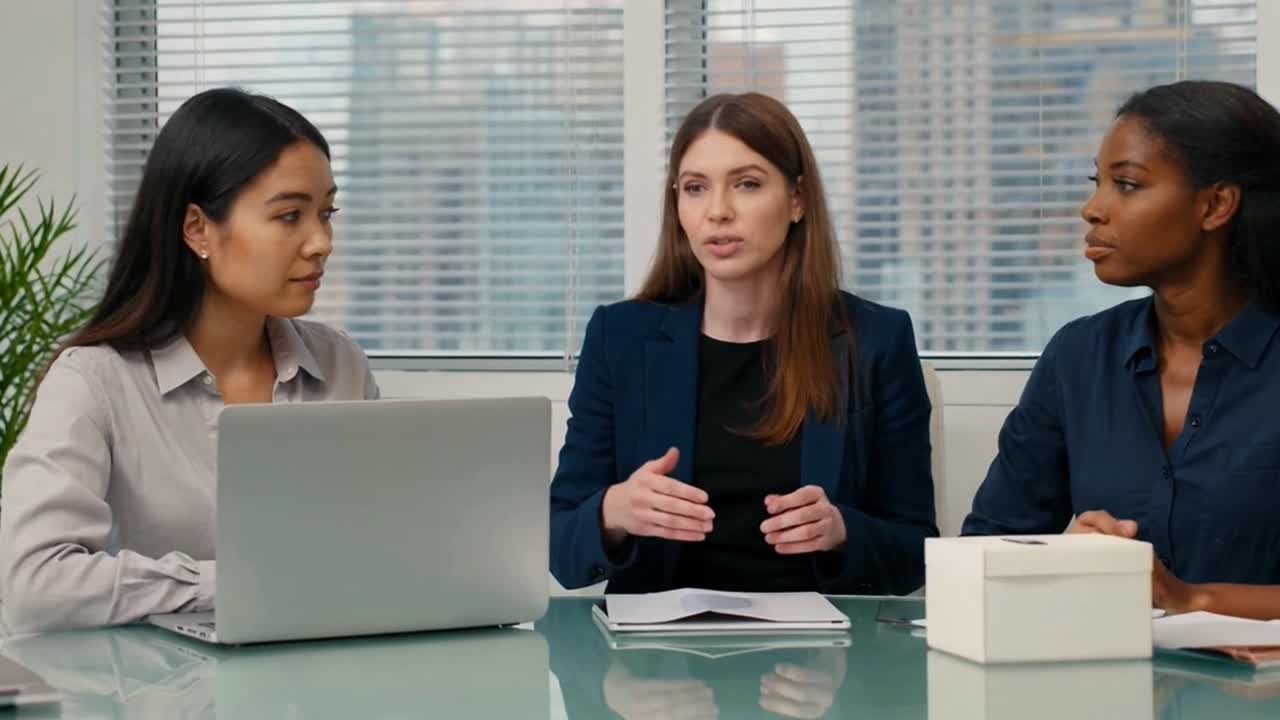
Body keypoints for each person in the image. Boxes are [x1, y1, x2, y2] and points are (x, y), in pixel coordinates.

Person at [0, 88, 379, 632]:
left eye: (326, 213)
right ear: (197, 228)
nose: (321, 242)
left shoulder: (341, 364)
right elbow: (35, 585)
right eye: (290, 216)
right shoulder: (93, 381)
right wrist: (233, 583)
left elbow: (379, 552)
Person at [549, 92, 937, 596]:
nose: (718, 212)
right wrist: (613, 512)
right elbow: (558, 545)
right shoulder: (619, 338)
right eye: (695, 188)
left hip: (818, 660)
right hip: (658, 661)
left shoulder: (876, 341)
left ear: (797, 199)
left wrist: (842, 532)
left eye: (747, 184)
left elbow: (917, 552)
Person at [963, 81, 1280, 619]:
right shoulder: (1078, 356)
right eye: (1098, 182)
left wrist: (1190, 599)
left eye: (1127, 185)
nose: (1092, 209)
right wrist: (1063, 558)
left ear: (1216, 205)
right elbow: (982, 553)